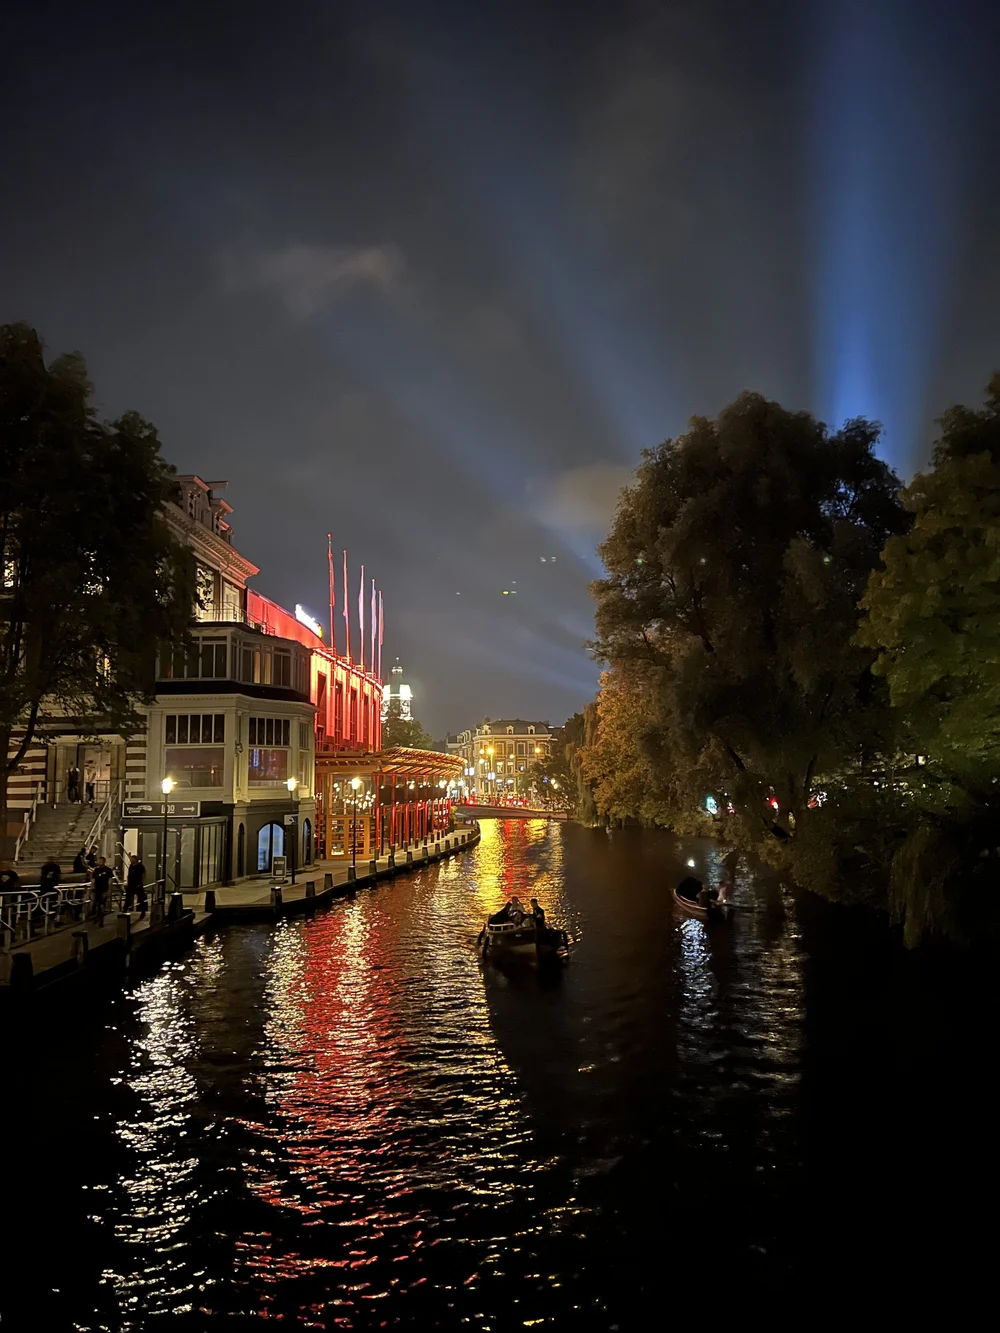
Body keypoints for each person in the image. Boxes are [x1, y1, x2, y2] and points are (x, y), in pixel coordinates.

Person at [89, 857, 114, 926]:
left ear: (104, 861)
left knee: (102, 904)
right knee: (95, 904)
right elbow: (93, 879)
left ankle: (101, 919)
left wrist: (109, 889)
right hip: (96, 889)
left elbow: (110, 880)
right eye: (99, 861)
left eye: (101, 861)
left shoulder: (108, 870)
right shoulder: (96, 870)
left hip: (104, 889)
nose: (99, 862)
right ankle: (96, 916)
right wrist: (91, 887)